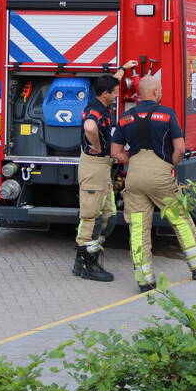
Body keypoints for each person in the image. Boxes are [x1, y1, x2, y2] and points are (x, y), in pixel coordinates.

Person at [111, 75, 196, 292]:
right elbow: (180, 148)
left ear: (139, 94)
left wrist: (134, 159)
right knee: (181, 221)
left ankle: (144, 280)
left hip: (135, 176)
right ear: (156, 92)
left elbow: (115, 153)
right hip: (160, 174)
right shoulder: (167, 114)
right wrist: (169, 163)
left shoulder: (125, 117)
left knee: (139, 227)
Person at [72, 60, 138, 282]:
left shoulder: (100, 100)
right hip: (94, 166)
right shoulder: (96, 110)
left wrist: (124, 69)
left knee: (107, 214)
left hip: (102, 168)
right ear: (105, 94)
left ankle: (87, 259)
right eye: (115, 92)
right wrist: (99, 146)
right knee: (91, 216)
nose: (118, 95)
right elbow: (90, 127)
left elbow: (113, 82)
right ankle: (86, 265)